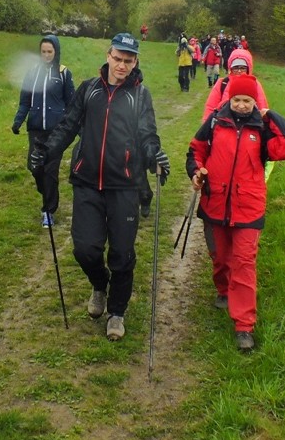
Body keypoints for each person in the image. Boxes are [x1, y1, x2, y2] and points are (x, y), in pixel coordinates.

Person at [28, 33, 169, 342]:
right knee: (85, 249)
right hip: (88, 181)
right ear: (108, 55)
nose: (122, 65)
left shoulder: (140, 95)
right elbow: (68, 125)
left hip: (125, 185)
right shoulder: (89, 88)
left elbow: (147, 134)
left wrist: (154, 157)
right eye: (117, 58)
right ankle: (99, 284)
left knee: (122, 252)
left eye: (128, 61)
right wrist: (46, 152)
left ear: (135, 62)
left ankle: (117, 311)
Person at [187, 73, 285, 351]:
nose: (242, 105)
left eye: (248, 100)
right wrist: (196, 171)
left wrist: (272, 116)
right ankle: (224, 290)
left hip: (249, 207)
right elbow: (196, 150)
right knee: (221, 258)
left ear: (255, 101)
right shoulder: (215, 122)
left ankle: (244, 326)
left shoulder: (262, 128)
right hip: (215, 203)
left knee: (244, 264)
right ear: (229, 99)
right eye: (237, 99)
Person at [11, 35, 75, 227]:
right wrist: (18, 121)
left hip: (56, 131)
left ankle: (49, 210)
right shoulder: (32, 73)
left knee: (50, 171)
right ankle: (46, 191)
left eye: (50, 51)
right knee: (35, 167)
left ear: (56, 52)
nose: (46, 55)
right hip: (36, 129)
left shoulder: (63, 73)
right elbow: (25, 101)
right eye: (43, 52)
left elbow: (72, 104)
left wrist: (75, 127)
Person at [202, 48, 269, 121]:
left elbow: (262, 107)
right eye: (236, 68)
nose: (239, 71)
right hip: (224, 123)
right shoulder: (222, 83)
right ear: (231, 68)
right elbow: (211, 107)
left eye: (243, 68)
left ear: (248, 69)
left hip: (248, 123)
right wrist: (207, 124)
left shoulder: (255, 84)